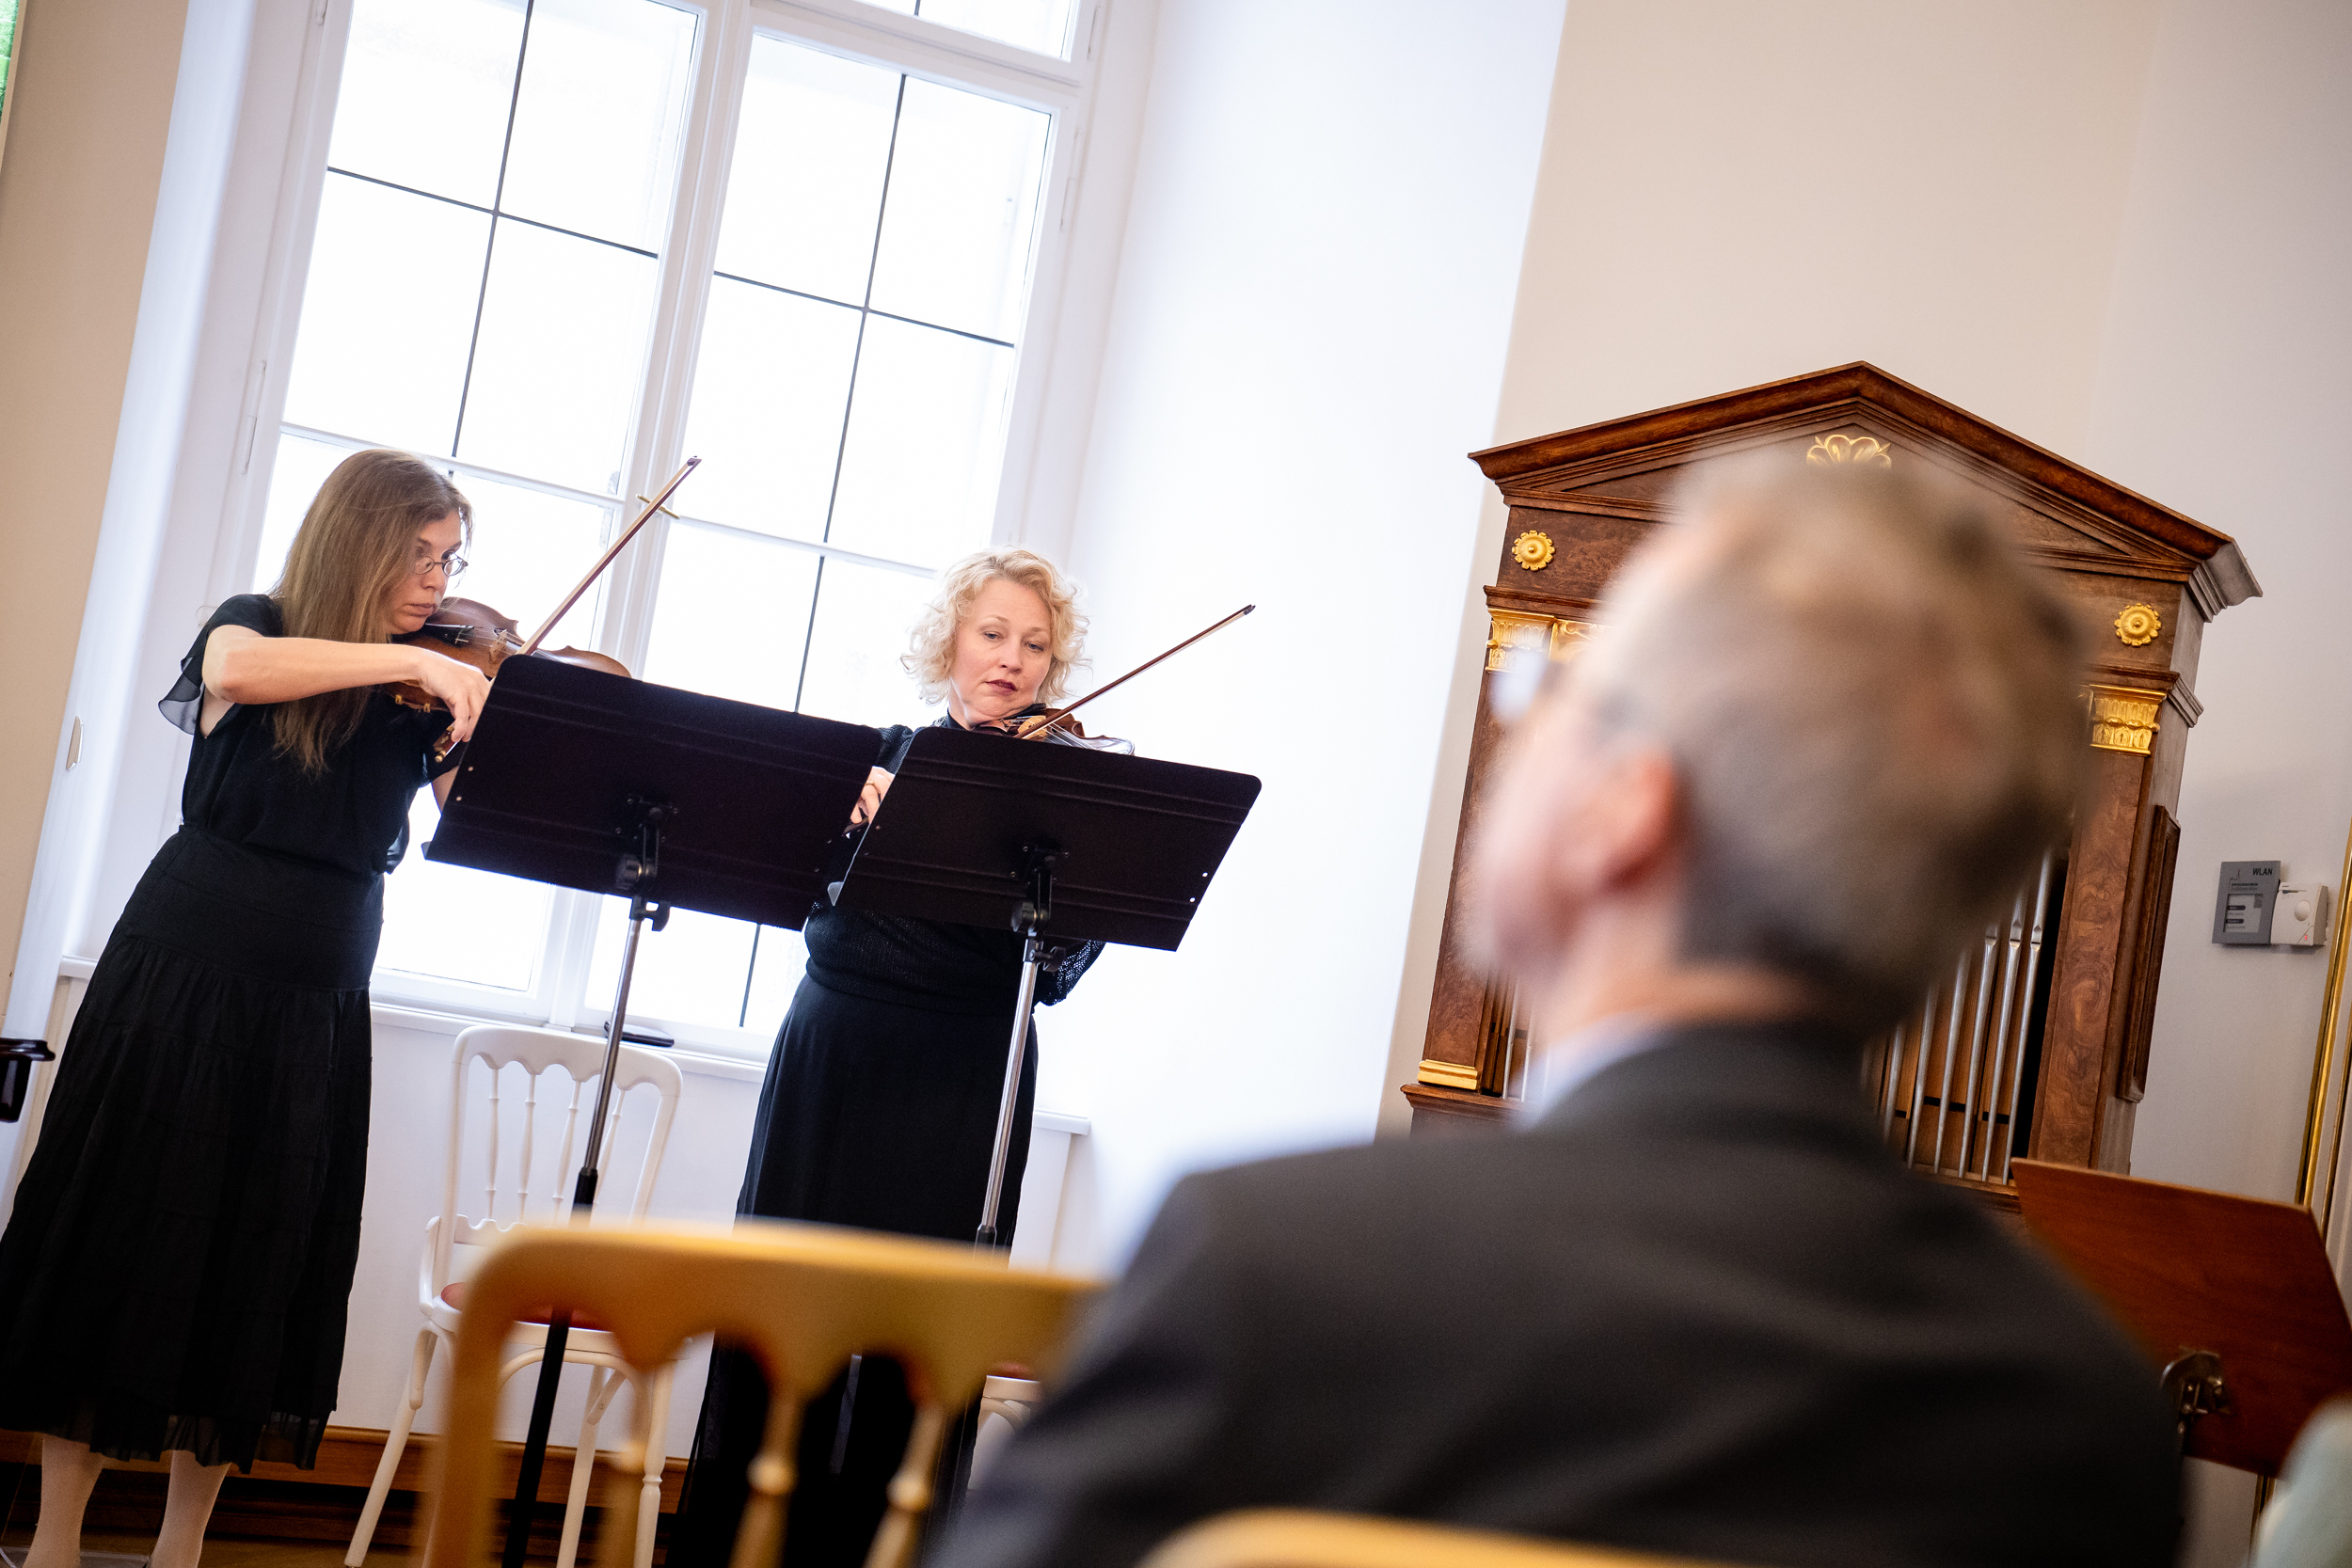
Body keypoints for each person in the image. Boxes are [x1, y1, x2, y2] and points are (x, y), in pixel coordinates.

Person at [938, 459, 2184, 1568]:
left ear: (1623, 809)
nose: (1519, 726)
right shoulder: (2085, 1416)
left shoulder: (1268, 1271)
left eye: (1551, 691)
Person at [0, 449, 491, 1568]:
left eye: (450, 561)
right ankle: (54, 1540)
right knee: (118, 1235)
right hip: (184, 970)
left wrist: (478, 730)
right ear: (360, 542)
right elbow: (235, 668)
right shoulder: (259, 624)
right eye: (420, 555)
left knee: (257, 1264)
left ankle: (181, 1549)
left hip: (318, 993)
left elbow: (473, 826)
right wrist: (410, 657)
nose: (437, 581)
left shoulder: (423, 691)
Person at [675, 548, 1111, 1568]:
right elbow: (786, 884)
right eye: (992, 633)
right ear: (948, 640)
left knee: (920, 1331)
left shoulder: (1064, 793)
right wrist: (837, 811)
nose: (1011, 659)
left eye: (1034, 644)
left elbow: (1058, 971)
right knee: (791, 1308)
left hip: (969, 1074)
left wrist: (1064, 860)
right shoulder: (877, 757)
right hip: (839, 1053)